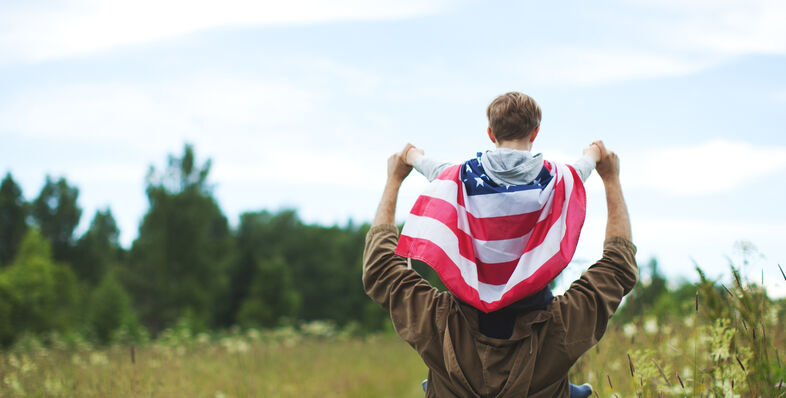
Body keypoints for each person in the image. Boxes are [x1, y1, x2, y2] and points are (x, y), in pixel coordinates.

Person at [362, 141, 637, 397]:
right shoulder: (561, 328)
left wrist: (394, 180)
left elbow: (381, 268)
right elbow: (618, 265)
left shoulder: (436, 322)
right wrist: (611, 179)